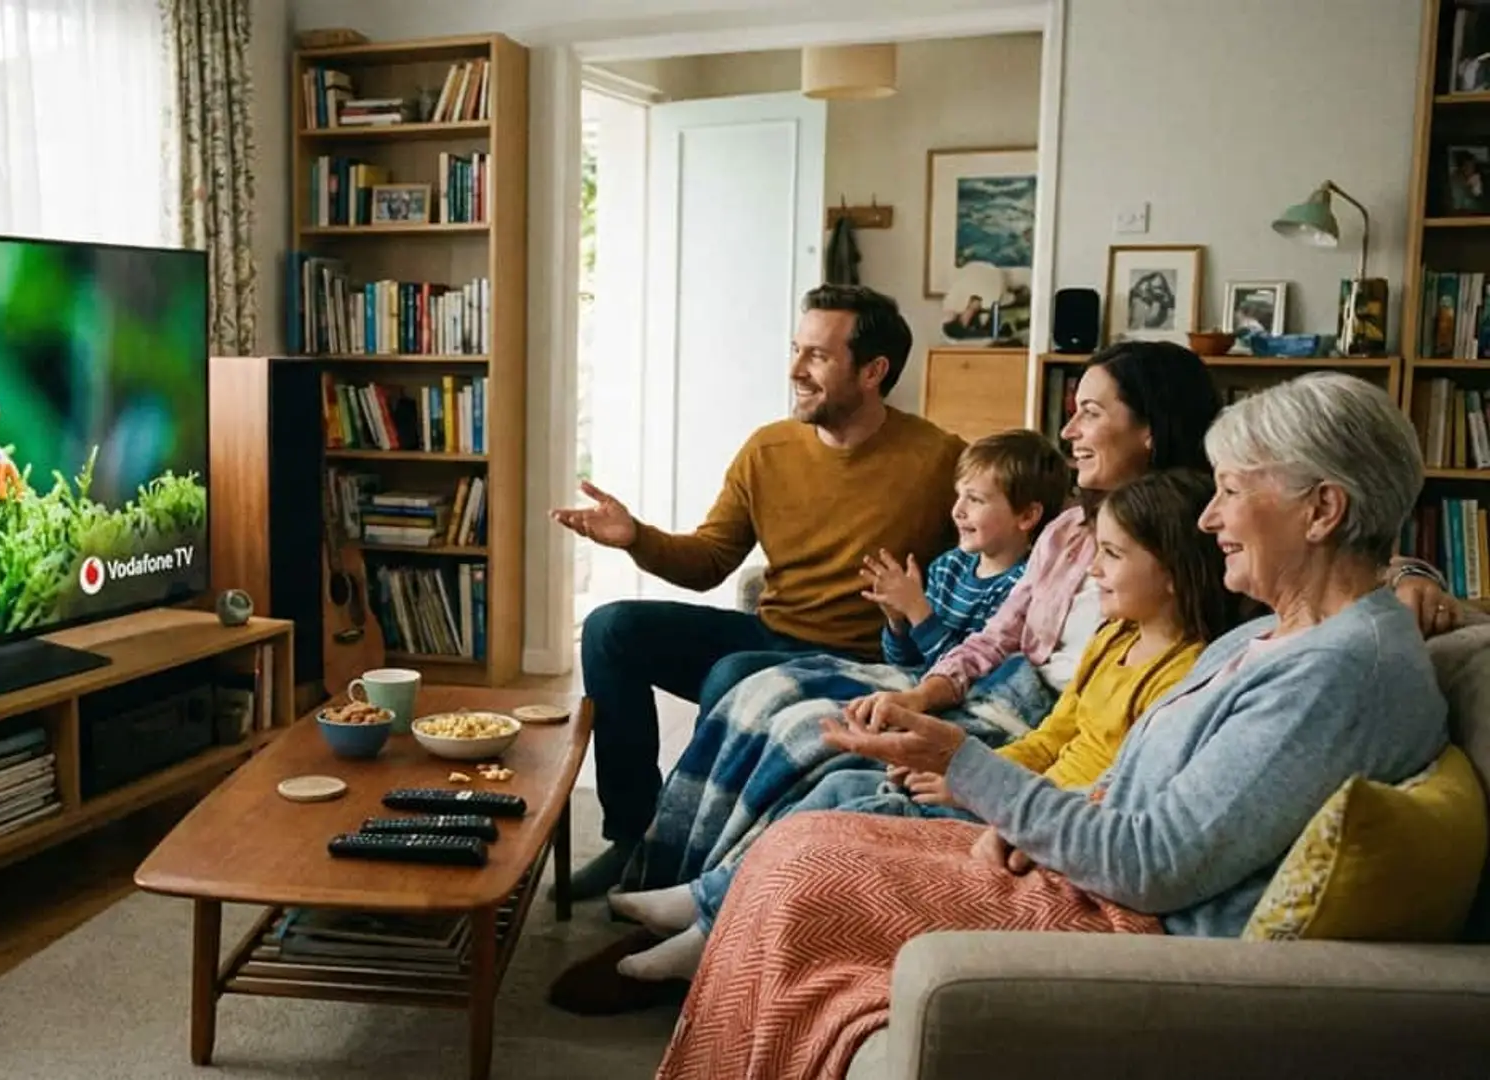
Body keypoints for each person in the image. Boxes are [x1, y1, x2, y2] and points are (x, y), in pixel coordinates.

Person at [655, 372, 1453, 1078]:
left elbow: (1155, 865)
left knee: (803, 878)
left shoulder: (1337, 673)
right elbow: (1144, 792)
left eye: (1233, 492)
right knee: (801, 839)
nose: (1211, 519)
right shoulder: (1276, 633)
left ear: (1323, 510)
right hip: (1091, 871)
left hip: (1132, 924)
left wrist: (967, 765)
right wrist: (1038, 824)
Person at [609, 466, 1239, 982]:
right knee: (837, 786)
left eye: (1112, 555)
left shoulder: (1182, 675)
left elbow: (1110, 787)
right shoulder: (1112, 640)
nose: (1093, 570)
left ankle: (708, 929)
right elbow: (1051, 736)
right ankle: (708, 901)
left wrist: (975, 789)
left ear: (1173, 570)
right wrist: (981, 773)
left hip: (1041, 819)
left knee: (867, 807)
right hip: (1011, 788)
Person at [552, 283, 966, 898]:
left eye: (817, 356)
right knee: (612, 629)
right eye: (796, 350)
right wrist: (635, 535)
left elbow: (997, 553)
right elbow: (709, 561)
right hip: (776, 633)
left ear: (873, 371)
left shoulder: (939, 460)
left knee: (734, 675)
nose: (796, 370)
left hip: (863, 660)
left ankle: (690, 856)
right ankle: (632, 836)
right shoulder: (768, 450)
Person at [870, 428, 1071, 676]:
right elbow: (904, 664)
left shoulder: (1021, 588)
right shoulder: (947, 567)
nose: (958, 510)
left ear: (1027, 516)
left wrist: (918, 612)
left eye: (975, 499)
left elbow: (966, 673)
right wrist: (899, 622)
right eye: (959, 495)